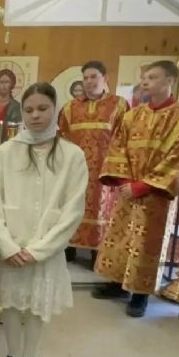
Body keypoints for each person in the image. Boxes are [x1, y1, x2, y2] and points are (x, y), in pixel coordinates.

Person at [0, 82, 87, 357]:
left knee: (38, 305)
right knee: (11, 304)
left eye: (42, 108)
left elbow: (73, 210)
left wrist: (39, 250)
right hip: (11, 245)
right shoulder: (6, 151)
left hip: (46, 248)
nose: (35, 115)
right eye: (29, 110)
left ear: (55, 109)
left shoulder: (72, 155)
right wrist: (8, 246)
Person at [93, 60, 179, 317]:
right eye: (144, 77)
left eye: (152, 77)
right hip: (127, 188)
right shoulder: (133, 115)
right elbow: (117, 147)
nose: (145, 82)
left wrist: (143, 185)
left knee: (147, 243)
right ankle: (117, 284)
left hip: (157, 193)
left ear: (170, 81)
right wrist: (124, 182)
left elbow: (176, 157)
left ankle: (140, 294)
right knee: (121, 236)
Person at [58, 61, 129, 264]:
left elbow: (124, 139)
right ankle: (69, 248)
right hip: (76, 169)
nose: (89, 81)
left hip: (104, 171)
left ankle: (97, 254)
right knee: (72, 206)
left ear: (105, 78)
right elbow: (62, 139)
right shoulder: (70, 107)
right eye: (85, 78)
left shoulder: (119, 105)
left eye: (93, 77)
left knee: (101, 209)